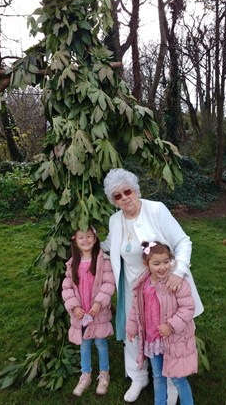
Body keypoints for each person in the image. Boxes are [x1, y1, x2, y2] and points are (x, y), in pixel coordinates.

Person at [101, 168, 203, 403]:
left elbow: (183, 241)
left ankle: (171, 381)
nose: (124, 198)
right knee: (134, 333)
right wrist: (90, 241)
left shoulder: (155, 209)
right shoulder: (115, 220)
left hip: (165, 287)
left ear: (135, 190)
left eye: (127, 191)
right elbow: (110, 244)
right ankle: (138, 377)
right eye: (117, 196)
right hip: (134, 290)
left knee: (167, 334)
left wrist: (179, 272)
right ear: (113, 201)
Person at [126, 241, 197, 405]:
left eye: (166, 262)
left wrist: (171, 326)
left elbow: (188, 307)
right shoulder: (142, 284)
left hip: (173, 341)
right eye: (156, 263)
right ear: (147, 264)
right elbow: (136, 308)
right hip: (152, 340)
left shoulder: (176, 283)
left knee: (178, 378)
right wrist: (132, 328)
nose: (163, 267)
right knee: (157, 375)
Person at [62, 227, 115, 397]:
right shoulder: (72, 264)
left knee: (100, 343)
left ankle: (104, 374)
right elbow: (67, 287)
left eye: (89, 236)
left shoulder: (103, 261)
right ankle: (86, 375)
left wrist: (99, 304)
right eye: (81, 237)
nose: (85, 240)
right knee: (84, 344)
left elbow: (108, 284)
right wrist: (75, 306)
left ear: (95, 238)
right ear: (75, 241)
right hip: (81, 314)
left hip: (97, 313)